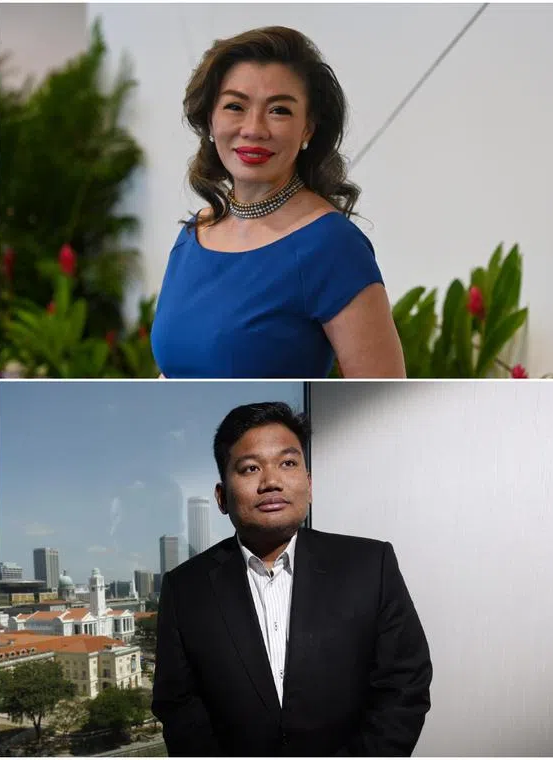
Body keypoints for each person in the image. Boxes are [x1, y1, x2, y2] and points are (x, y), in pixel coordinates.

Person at [152, 402, 431, 755]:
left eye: (287, 463)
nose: (271, 482)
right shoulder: (185, 588)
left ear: (309, 485)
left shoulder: (370, 565)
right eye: (250, 468)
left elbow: (405, 684)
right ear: (222, 497)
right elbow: (177, 705)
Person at [150, 27, 405, 378]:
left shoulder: (332, 245)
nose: (254, 129)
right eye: (235, 106)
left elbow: (384, 402)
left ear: (308, 129)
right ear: (210, 119)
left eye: (279, 111)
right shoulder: (194, 235)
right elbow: (173, 373)